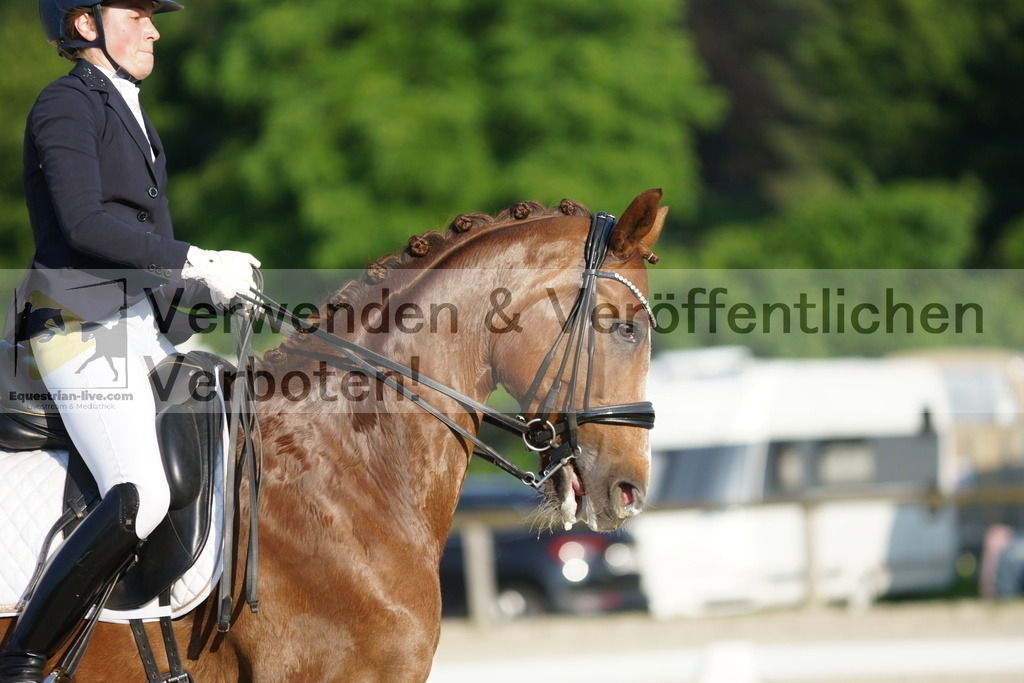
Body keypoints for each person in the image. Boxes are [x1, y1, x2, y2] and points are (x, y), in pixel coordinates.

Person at [0, 2, 258, 680]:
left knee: (236, 424)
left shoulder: (132, 111)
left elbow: (144, 253)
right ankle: (24, 656)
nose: (155, 28)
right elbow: (84, 224)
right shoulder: (64, 105)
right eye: (138, 14)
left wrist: (210, 293)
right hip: (75, 326)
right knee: (138, 488)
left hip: (135, 325)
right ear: (86, 24)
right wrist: (195, 257)